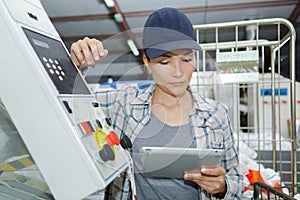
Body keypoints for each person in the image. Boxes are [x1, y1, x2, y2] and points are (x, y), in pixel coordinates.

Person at [70, 7, 243, 200]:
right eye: (164, 62)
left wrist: (222, 187)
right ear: (146, 61)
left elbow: (237, 180)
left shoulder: (216, 115)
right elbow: (73, 103)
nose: (178, 72)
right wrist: (77, 64)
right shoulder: (123, 103)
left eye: (186, 59)